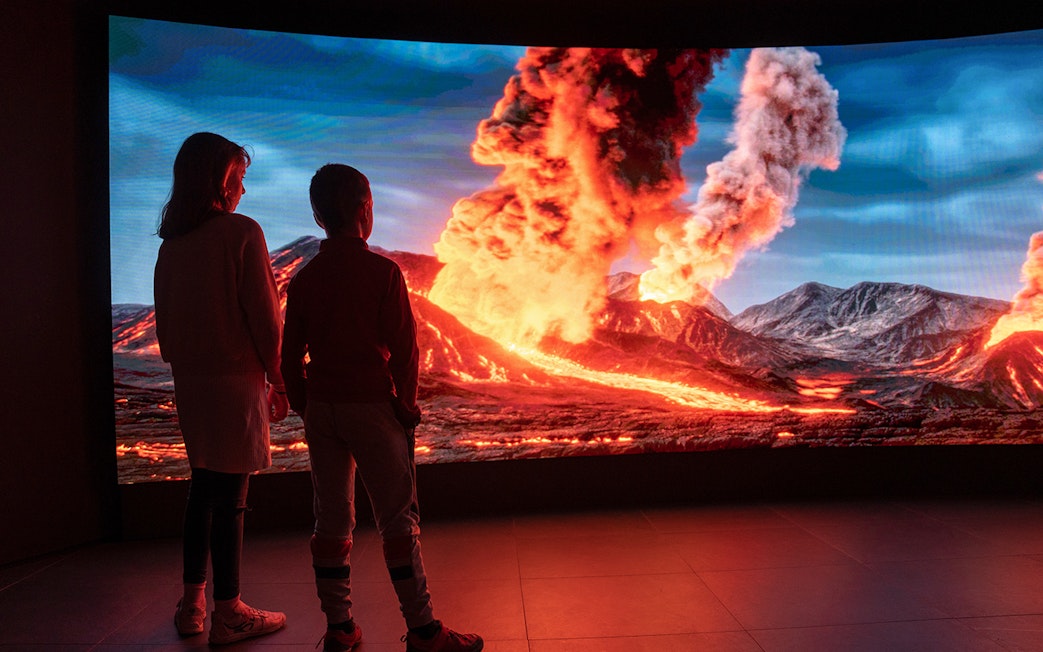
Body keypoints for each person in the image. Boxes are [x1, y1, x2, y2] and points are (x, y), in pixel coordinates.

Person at [281, 163, 483, 652]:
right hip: (372, 408)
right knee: (397, 521)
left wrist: (309, 407)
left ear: (317, 214)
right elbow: (406, 350)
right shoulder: (383, 273)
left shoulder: (304, 280)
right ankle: (424, 631)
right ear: (366, 209)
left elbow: (289, 359)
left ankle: (340, 628)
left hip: (324, 410)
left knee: (330, 521)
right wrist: (406, 407)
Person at [153, 132, 289, 645]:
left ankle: (193, 605)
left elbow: (164, 323)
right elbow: (265, 317)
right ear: (219, 177)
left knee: (202, 488)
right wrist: (277, 378)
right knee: (231, 496)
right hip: (236, 382)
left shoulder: (173, 243)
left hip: (191, 382)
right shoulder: (241, 233)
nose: (243, 191)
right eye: (240, 178)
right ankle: (230, 611)